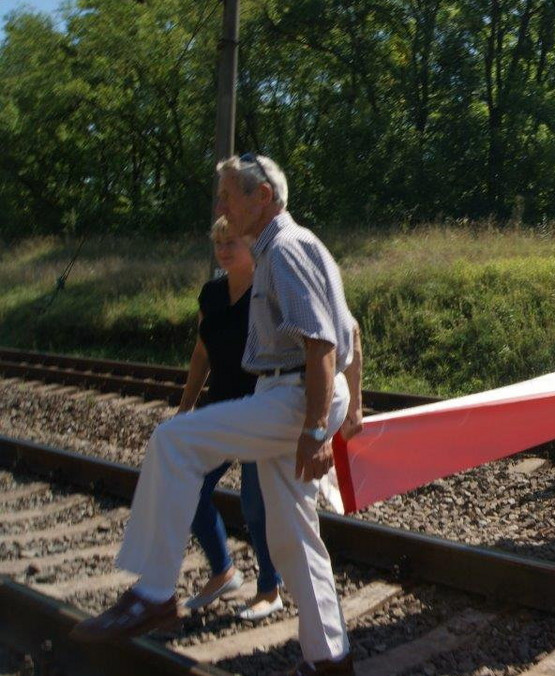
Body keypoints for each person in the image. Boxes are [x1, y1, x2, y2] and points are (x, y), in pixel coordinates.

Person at [72, 154, 364, 676]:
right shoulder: (295, 244)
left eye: (229, 194)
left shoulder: (284, 250)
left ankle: (155, 592)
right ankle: (330, 660)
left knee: (174, 440)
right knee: (294, 536)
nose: (221, 205)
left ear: (263, 199)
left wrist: (318, 428)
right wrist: (342, 408)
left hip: (296, 397)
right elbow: (349, 331)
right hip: (295, 394)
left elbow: (321, 343)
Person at [177, 217, 282, 622]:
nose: (222, 249)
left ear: (251, 245)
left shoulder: (267, 291)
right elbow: (202, 353)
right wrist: (186, 406)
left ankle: (269, 589)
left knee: (255, 506)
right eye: (218, 241)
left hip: (258, 411)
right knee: (190, 487)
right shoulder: (212, 293)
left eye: (231, 241)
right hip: (221, 409)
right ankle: (223, 571)